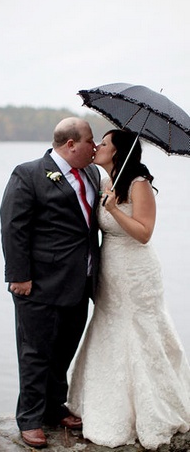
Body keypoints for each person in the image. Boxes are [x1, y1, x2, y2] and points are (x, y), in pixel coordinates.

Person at [66, 129, 190, 449]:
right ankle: (99, 402)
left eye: (103, 144)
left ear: (118, 151)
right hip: (110, 271)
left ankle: (151, 409)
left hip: (137, 273)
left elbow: (145, 233)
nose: (97, 147)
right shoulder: (105, 181)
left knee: (139, 330)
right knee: (108, 327)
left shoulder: (139, 184)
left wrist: (115, 211)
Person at [0, 117, 101, 448]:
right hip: (39, 284)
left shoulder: (92, 173)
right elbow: (13, 227)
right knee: (35, 352)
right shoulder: (28, 174)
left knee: (64, 351)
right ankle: (29, 418)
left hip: (80, 283)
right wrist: (19, 276)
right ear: (71, 144)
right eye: (90, 141)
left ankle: (54, 407)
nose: (95, 147)